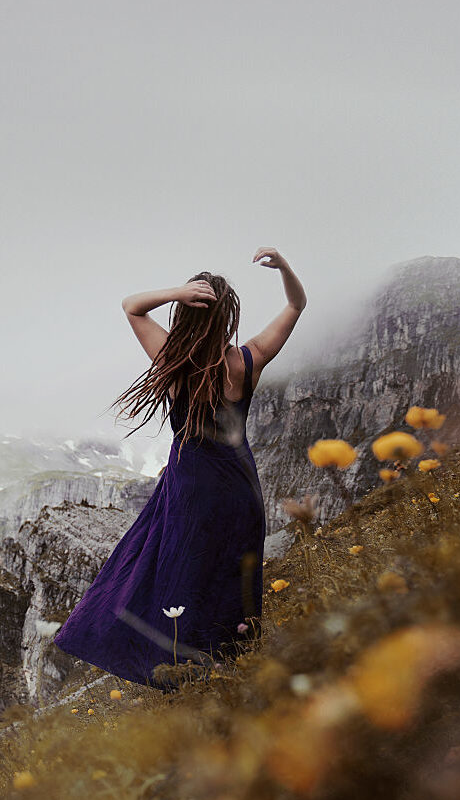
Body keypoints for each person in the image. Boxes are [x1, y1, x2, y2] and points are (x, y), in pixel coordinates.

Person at [52, 248, 306, 691]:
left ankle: (179, 675)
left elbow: (131, 306)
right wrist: (283, 266)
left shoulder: (176, 362)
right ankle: (233, 667)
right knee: (231, 579)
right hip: (241, 490)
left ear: (187, 314)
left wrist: (177, 292)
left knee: (175, 573)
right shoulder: (247, 362)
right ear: (228, 317)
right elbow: (296, 305)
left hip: (190, 487)